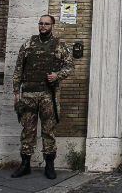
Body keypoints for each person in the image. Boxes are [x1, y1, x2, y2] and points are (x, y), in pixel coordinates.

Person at [11, 14, 74, 179]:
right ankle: (25, 165)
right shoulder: (28, 44)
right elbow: (18, 69)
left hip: (48, 95)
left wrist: (57, 75)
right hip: (28, 94)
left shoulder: (59, 45)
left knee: (48, 131)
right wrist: (16, 92)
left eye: (46, 24)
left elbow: (69, 66)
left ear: (52, 25)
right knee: (27, 131)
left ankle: (49, 166)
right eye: (41, 23)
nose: (43, 26)